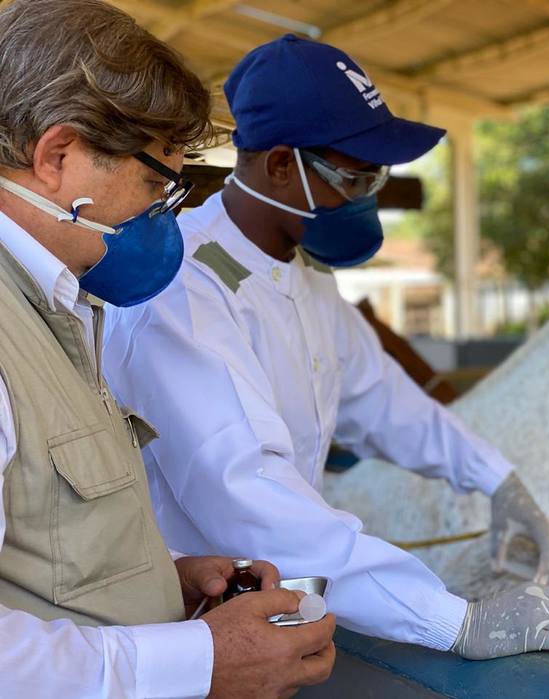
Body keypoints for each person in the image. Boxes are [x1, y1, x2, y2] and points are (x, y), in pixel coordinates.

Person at [103, 34, 549, 660]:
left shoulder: (303, 275)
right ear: (281, 166)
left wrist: (495, 478)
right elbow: (252, 493)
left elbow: (382, 398)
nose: (367, 199)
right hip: (185, 626)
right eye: (356, 178)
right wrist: (453, 621)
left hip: (270, 601)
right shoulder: (182, 287)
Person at [0, 2, 334, 697]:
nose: (165, 214)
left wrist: (158, 577)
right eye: (157, 184)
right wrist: (198, 661)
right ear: (57, 156)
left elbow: (37, 551)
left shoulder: (57, 308)